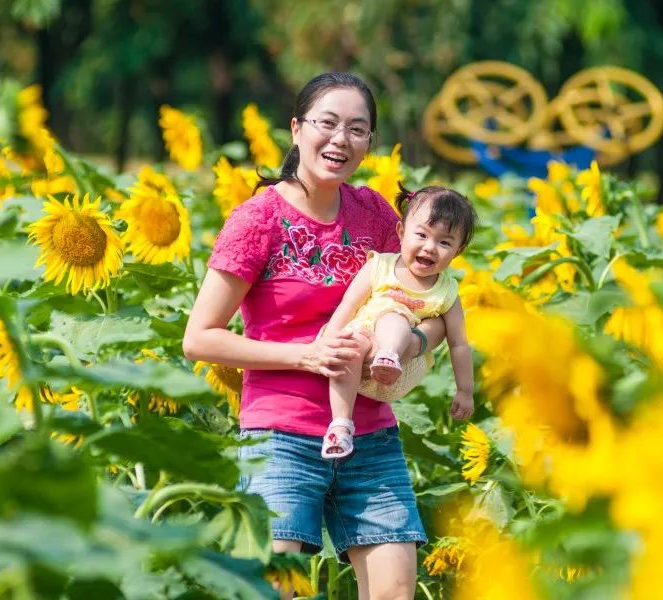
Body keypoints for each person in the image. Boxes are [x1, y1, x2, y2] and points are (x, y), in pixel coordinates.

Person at [182, 72, 445, 600]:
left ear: (369, 142)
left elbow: (435, 307)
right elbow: (200, 339)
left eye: (357, 129)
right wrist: (308, 355)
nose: (340, 140)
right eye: (327, 123)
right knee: (278, 590)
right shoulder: (258, 220)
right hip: (281, 435)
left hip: (370, 434)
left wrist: (412, 343)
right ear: (297, 129)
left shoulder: (375, 214)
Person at [320, 185, 477, 459]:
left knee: (394, 317)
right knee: (350, 344)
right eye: (422, 235)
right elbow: (349, 305)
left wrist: (465, 390)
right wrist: (328, 340)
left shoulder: (447, 290)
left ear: (458, 250)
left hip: (402, 368)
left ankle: (389, 354)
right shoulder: (379, 266)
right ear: (401, 233)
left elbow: (459, 343)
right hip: (361, 356)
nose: (430, 247)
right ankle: (341, 427)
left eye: (444, 242)